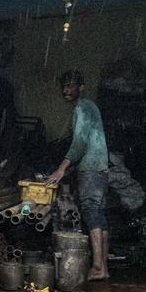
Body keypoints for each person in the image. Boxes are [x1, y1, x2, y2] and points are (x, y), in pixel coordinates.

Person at [45, 70, 110, 280]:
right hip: (99, 167)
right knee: (98, 214)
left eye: (71, 86)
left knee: (91, 213)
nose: (66, 90)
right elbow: (87, 142)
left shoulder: (83, 107)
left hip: (91, 168)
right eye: (64, 86)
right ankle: (104, 268)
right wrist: (70, 168)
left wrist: (61, 168)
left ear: (81, 87)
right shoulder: (90, 107)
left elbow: (80, 142)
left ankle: (98, 268)